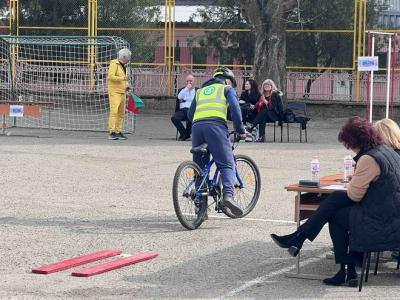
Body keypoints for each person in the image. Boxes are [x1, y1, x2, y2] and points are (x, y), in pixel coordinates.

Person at [271, 116, 400, 287]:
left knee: (335, 214)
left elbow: (355, 195)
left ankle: (338, 265)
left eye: (348, 144)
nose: (349, 148)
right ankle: (343, 268)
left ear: (355, 142)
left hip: (382, 222)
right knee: (336, 205)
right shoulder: (386, 151)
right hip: (390, 214)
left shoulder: (369, 158)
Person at [187, 66, 247, 217]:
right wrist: (240, 129)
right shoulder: (226, 89)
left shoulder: (199, 91)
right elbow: (235, 109)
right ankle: (228, 196)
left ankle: (201, 208)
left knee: (200, 168)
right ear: (227, 80)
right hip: (215, 127)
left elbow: (189, 114)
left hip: (197, 127)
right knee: (226, 163)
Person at [107, 48, 131, 140]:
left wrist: (127, 85)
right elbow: (111, 77)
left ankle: (118, 131)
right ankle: (112, 132)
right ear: (124, 57)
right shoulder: (114, 63)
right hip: (114, 91)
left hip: (122, 91)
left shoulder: (124, 66)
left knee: (121, 113)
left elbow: (124, 78)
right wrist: (123, 79)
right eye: (128, 57)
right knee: (114, 111)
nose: (129, 59)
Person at [171, 74, 196, 141]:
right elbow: (179, 97)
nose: (189, 82)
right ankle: (185, 134)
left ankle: (185, 135)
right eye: (187, 81)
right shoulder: (182, 90)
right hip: (182, 110)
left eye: (191, 81)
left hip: (192, 110)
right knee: (174, 118)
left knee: (190, 117)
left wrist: (186, 99)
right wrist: (187, 88)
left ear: (194, 81)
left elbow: (195, 99)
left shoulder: (198, 90)